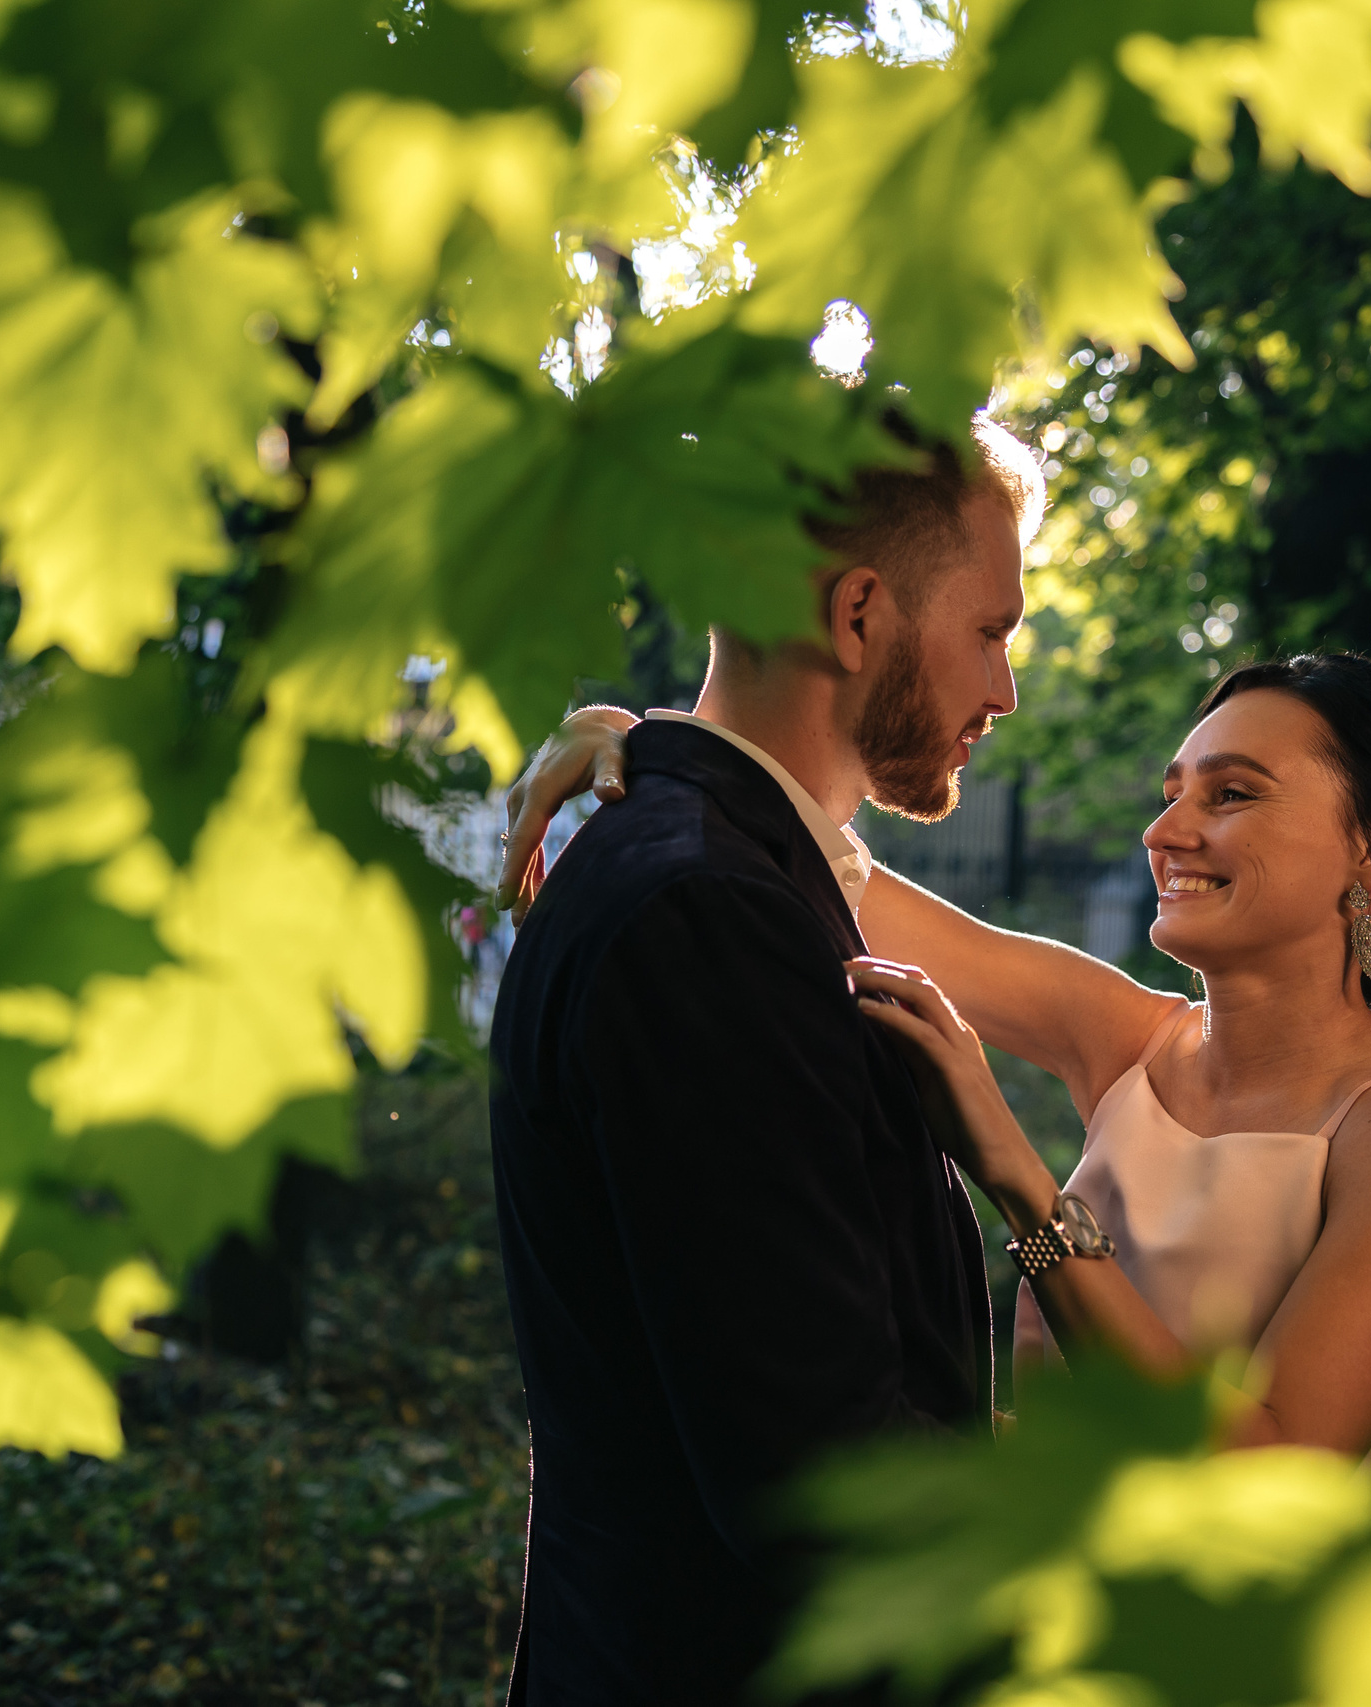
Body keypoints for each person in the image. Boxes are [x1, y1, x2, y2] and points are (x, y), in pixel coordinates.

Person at [508, 652, 1371, 1462]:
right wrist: (656, 754)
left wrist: (1017, 1179)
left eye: (1230, 795)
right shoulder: (1126, 1039)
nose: (1165, 832)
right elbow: (830, 875)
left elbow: (1272, 1470)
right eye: (1171, 794)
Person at [486, 414, 1047, 1705]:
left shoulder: (713, 862)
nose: (1004, 689)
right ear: (860, 612)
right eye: (991, 630)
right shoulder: (707, 911)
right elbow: (819, 1483)